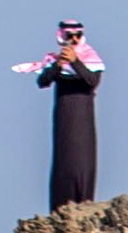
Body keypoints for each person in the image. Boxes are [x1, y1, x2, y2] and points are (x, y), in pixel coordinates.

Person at [16, 20, 103, 209]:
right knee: (64, 161)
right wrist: (58, 64)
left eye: (77, 36)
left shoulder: (90, 57)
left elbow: (91, 81)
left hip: (83, 118)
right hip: (64, 117)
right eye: (68, 36)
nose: (73, 40)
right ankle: (60, 208)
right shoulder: (55, 60)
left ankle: (84, 205)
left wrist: (76, 62)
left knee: (82, 161)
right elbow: (43, 81)